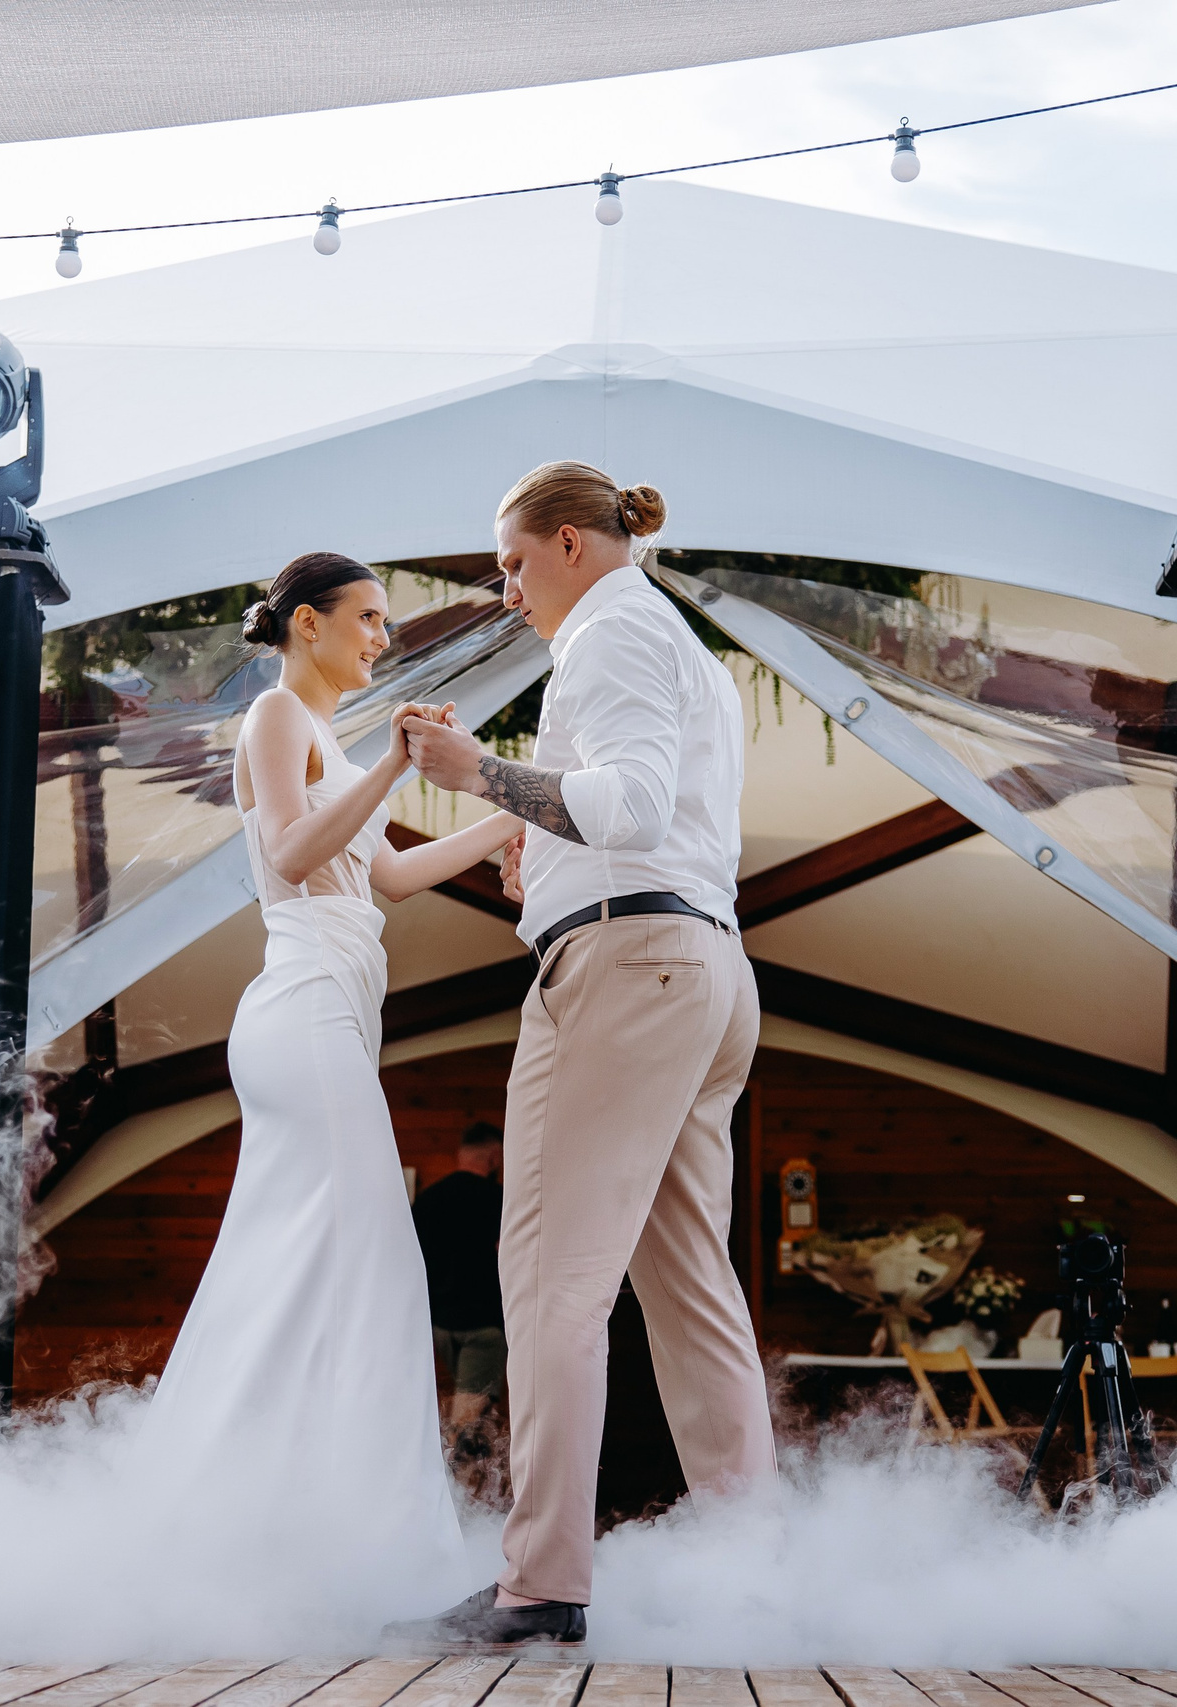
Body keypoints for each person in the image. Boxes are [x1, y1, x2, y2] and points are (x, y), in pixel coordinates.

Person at [387, 464, 774, 1650]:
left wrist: (476, 779)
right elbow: (648, 817)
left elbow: (632, 807)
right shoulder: (684, 651)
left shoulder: (607, 635)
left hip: (620, 973)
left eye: (509, 565)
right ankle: (750, 1573)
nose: (506, 593)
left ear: (565, 544)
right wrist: (532, 843)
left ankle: (540, 1578)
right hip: (702, 968)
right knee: (691, 1290)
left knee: (551, 1281)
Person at [133, 550, 526, 1620]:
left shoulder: (324, 739)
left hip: (334, 1019)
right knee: (380, 1272)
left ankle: (258, 1524)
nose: (379, 638)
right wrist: (393, 769)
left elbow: (386, 876)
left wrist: (515, 815)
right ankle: (375, 1544)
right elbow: (293, 854)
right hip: (301, 1011)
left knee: (305, 1271)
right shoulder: (274, 719)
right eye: (365, 618)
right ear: (305, 623)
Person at [413, 1124, 507, 1442]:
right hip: (483, 1327)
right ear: (495, 1156)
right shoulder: (500, 1201)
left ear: (460, 1153)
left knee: (461, 1421)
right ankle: (459, 1490)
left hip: (440, 1326)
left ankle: (460, 1486)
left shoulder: (427, 1201)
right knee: (469, 1428)